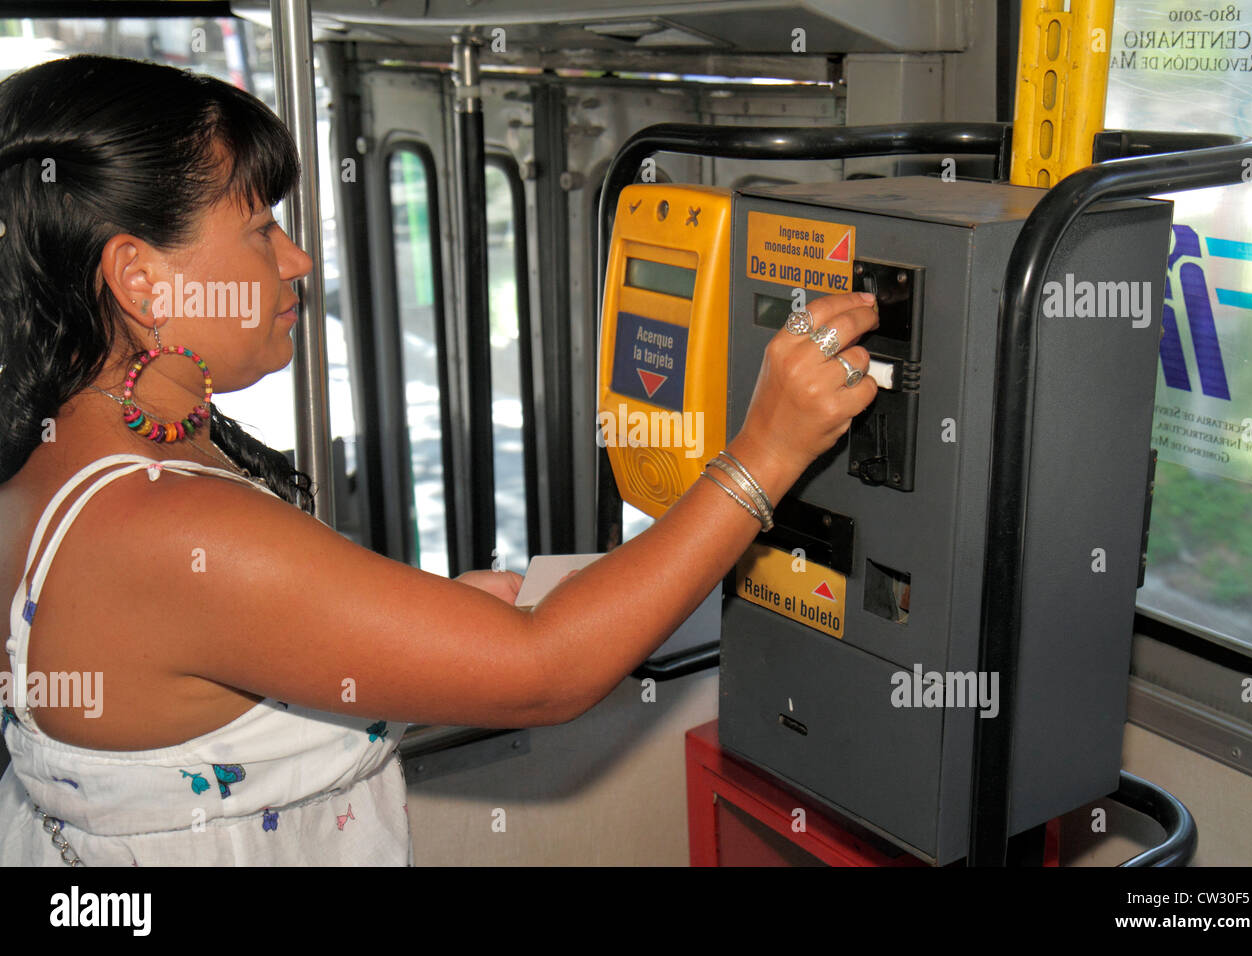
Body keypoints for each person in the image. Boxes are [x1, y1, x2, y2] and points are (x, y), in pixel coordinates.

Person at [0, 55, 880, 865]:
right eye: (262, 230)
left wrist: (421, 633)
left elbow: (203, 675)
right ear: (141, 278)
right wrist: (766, 450)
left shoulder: (57, 463)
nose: (297, 261)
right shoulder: (166, 525)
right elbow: (546, 672)